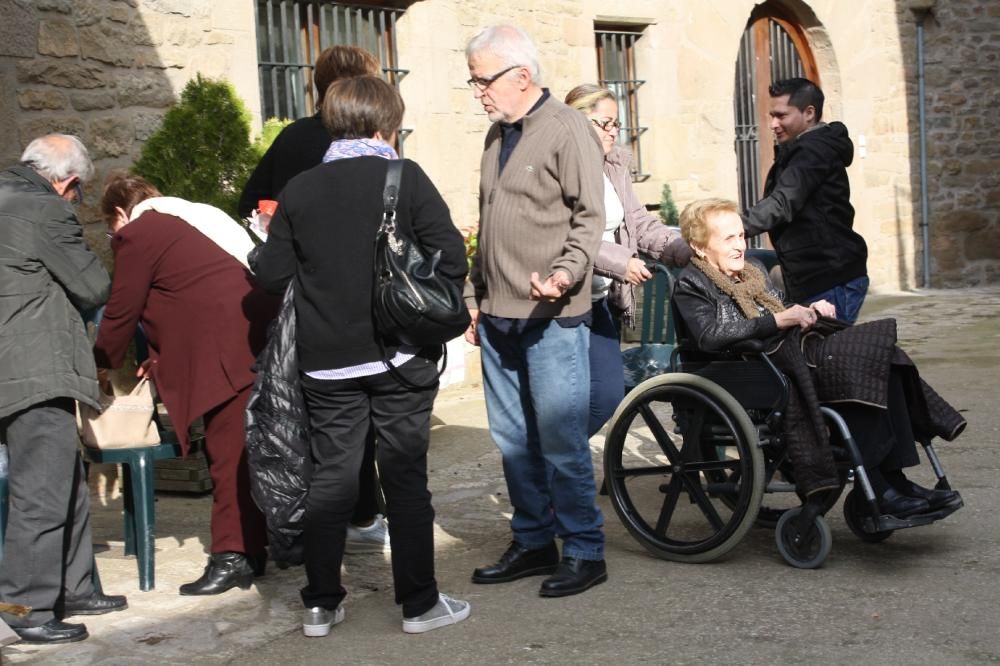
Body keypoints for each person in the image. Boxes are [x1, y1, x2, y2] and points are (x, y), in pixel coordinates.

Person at [251, 75, 470, 636]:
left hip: (326, 361)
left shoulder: (299, 189)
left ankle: (321, 604)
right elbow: (451, 255)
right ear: (385, 125)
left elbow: (271, 274)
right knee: (403, 478)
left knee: (331, 480)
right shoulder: (405, 176)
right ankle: (419, 604)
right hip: (400, 355)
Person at [673, 198, 964, 515]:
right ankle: (881, 490)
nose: (740, 245)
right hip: (746, 372)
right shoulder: (692, 282)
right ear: (700, 247)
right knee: (854, 367)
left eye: (741, 235)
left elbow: (783, 311)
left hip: (782, 358)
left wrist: (809, 312)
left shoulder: (753, 272)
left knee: (882, 359)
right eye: (729, 238)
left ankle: (895, 482)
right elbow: (710, 336)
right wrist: (778, 321)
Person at [464, 26, 608, 598]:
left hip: (552, 315)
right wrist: (474, 296)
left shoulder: (567, 129)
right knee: (512, 439)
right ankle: (532, 541)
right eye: (473, 79)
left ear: (521, 76)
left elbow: (589, 218)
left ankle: (584, 550)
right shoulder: (495, 136)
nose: (477, 90)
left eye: (483, 79)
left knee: (559, 440)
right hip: (499, 315)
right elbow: (488, 217)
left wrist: (566, 273)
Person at [93, 173, 279, 596]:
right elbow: (189, 292)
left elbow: (122, 310)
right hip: (255, 340)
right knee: (246, 453)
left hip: (226, 353)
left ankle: (231, 556)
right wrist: (157, 358)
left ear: (121, 213)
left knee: (228, 456)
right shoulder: (191, 217)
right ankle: (253, 551)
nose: (112, 235)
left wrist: (102, 363)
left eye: (110, 227)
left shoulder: (139, 232)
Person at [239, 45, 389, 554]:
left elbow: (250, 204)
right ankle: (364, 513)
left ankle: (309, 528)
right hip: (365, 301)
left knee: (309, 413)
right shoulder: (373, 146)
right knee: (363, 412)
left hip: (303, 296)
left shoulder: (293, 139)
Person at [0, 134, 126, 644]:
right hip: (32, 366)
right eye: (78, 193)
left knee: (63, 477)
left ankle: (73, 586)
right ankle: (25, 606)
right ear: (67, 182)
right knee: (41, 490)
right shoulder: (44, 210)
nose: (75, 202)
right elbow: (93, 286)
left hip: (12, 365)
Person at [564, 84, 692, 436]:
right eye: (602, 123)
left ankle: (553, 464)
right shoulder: (559, 168)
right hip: (562, 305)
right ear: (576, 123)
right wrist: (621, 262)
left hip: (599, 299)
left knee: (604, 396)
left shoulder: (614, 165)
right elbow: (566, 234)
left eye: (616, 124)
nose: (611, 132)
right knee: (563, 401)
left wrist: (688, 248)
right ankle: (551, 470)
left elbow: (639, 223)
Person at [744, 78, 869, 324]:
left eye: (781, 116)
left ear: (809, 112)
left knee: (826, 357)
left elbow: (781, 203)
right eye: (772, 115)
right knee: (810, 357)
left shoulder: (813, 151)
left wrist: (729, 228)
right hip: (815, 276)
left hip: (831, 278)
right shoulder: (804, 148)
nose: (773, 124)